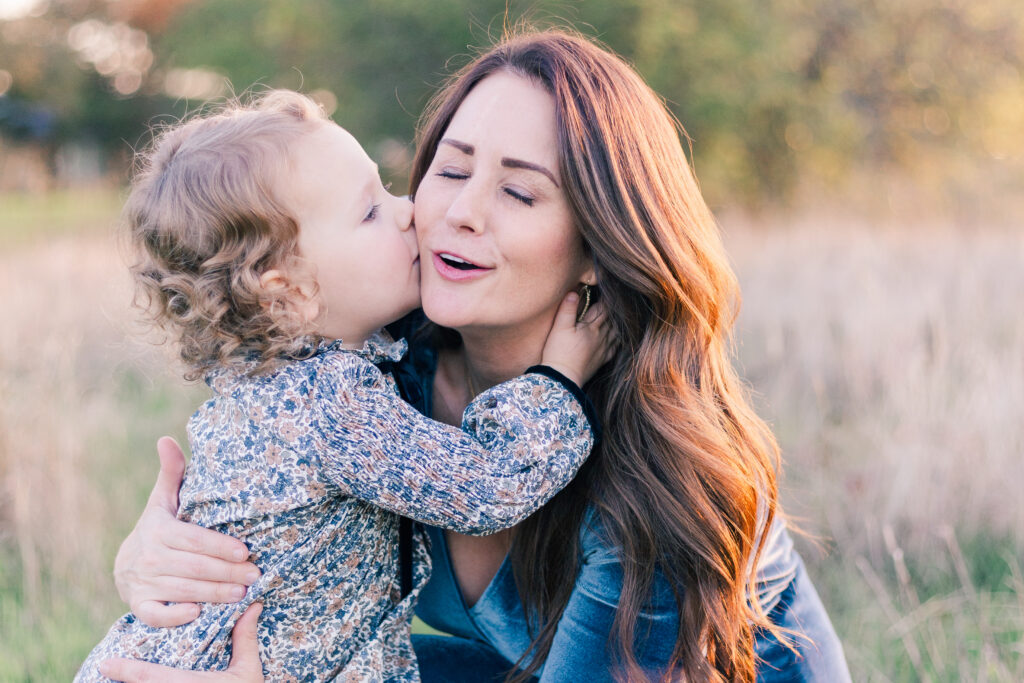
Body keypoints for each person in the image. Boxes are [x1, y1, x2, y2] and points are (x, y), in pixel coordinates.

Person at [103, 30, 851, 683]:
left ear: (600, 244)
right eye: (452, 170)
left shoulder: (661, 477)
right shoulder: (374, 375)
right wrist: (153, 553)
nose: (458, 211)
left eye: (519, 193)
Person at [78, 89, 613, 682]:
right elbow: (488, 484)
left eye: (519, 191)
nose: (410, 209)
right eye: (370, 211)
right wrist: (558, 382)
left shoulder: (290, 380)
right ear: (291, 291)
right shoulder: (325, 400)